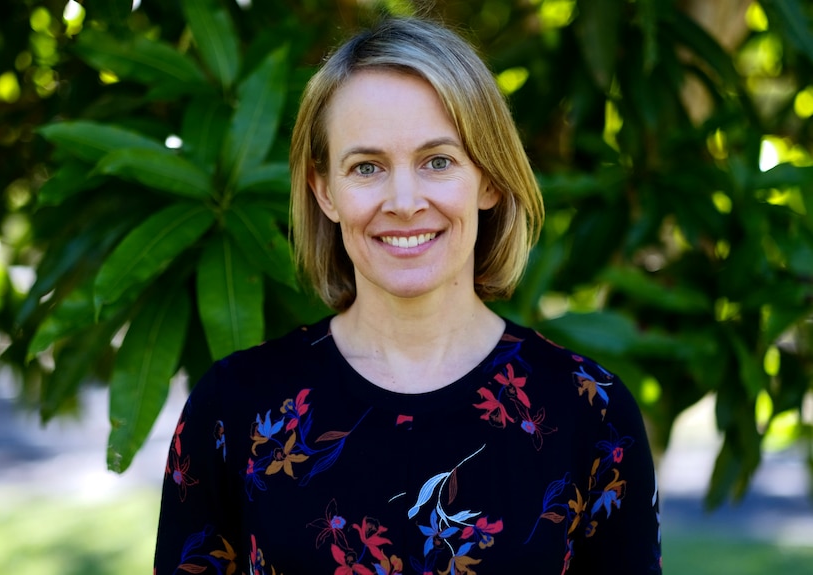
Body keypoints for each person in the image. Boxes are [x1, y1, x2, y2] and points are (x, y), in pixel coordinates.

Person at [154, 16, 662, 575]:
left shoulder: (590, 412)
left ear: (489, 179)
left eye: (437, 161)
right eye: (366, 167)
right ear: (325, 191)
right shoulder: (234, 408)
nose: (403, 200)